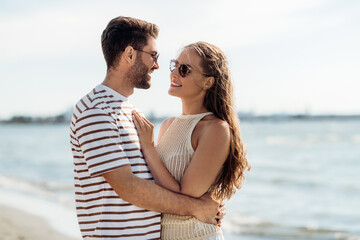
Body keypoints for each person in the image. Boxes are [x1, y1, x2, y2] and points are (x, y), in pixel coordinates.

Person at [70, 17, 223, 240]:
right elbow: (129, 188)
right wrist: (196, 208)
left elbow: (158, 183)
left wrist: (209, 206)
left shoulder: (133, 114)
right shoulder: (96, 110)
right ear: (130, 54)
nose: (157, 65)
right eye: (153, 56)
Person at [132, 41, 250, 239]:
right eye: (174, 66)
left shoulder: (215, 129)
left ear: (208, 82)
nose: (174, 73)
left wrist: (148, 147)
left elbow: (186, 194)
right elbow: (158, 184)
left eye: (184, 69)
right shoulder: (168, 125)